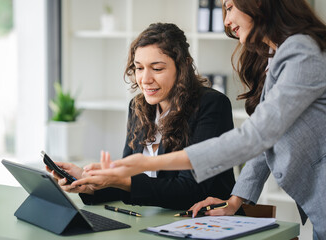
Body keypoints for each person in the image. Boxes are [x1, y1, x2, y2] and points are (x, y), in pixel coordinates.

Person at [88, 1, 326, 238]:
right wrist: (234, 201)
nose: (226, 20)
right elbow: (265, 142)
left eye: (230, 6)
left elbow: (255, 137)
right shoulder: (278, 56)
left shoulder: (301, 52)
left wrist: (148, 163)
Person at [48, 22, 241, 211]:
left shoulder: (211, 105)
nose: (145, 79)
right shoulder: (138, 107)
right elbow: (128, 184)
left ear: (183, 67)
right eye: (139, 68)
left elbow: (191, 190)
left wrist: (120, 180)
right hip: (156, 220)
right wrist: (88, 182)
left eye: (157, 69)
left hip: (205, 221)